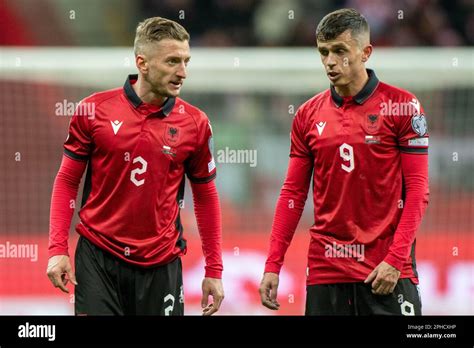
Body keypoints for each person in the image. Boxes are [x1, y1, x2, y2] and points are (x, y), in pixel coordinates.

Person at [46, 17, 224, 315]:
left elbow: (205, 196)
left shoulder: (195, 124)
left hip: (161, 264)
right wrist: (56, 250)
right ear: (142, 63)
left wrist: (214, 269)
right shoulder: (94, 111)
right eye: (172, 61)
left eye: (186, 61)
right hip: (98, 258)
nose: (183, 72)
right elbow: (66, 180)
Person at [259, 8, 429, 315]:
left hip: (386, 271)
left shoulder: (403, 106)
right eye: (323, 52)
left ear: (366, 53)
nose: (330, 61)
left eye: (340, 51)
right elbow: (293, 195)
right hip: (327, 271)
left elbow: (417, 190)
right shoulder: (307, 115)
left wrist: (395, 259)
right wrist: (273, 263)